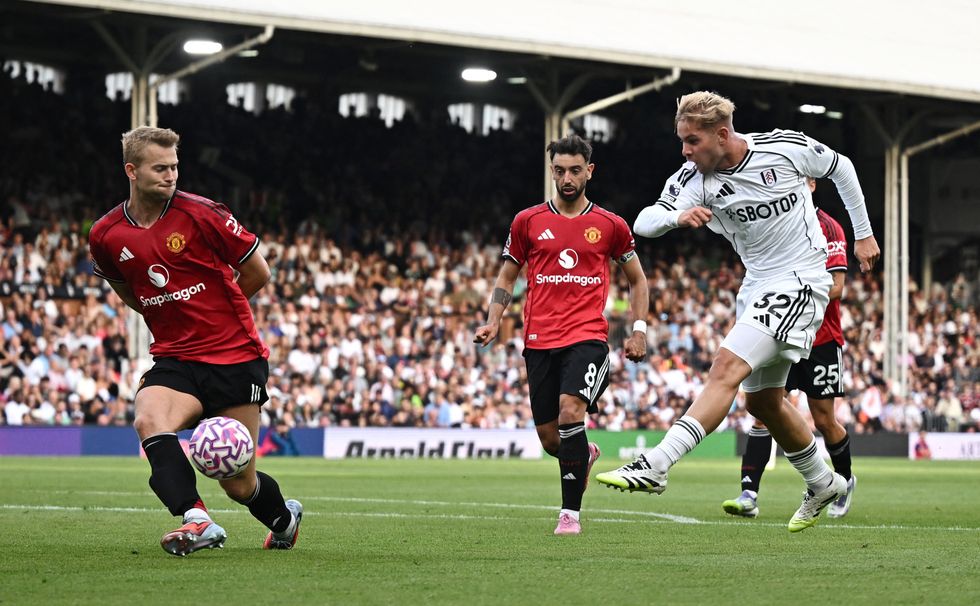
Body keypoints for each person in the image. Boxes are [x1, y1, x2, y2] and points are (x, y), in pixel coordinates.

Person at [596, 91, 880, 532]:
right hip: (757, 286)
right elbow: (644, 221)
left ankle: (656, 463)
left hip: (801, 278)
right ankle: (822, 481)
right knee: (763, 401)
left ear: (722, 134)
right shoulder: (695, 179)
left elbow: (841, 167)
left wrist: (862, 235)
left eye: (692, 141)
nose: (685, 151)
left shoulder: (783, 149)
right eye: (682, 141)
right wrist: (676, 217)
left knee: (726, 366)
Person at [88, 126, 303, 556]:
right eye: (160, 168)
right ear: (131, 170)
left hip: (235, 357)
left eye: (174, 167)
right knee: (149, 418)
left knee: (237, 482)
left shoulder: (202, 213)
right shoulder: (106, 234)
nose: (171, 176)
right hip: (176, 358)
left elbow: (259, 271)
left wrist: (215, 318)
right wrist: (172, 317)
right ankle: (196, 519)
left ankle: (285, 519)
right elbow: (129, 292)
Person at [474, 134, 649, 536]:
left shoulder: (611, 225)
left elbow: (638, 280)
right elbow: (507, 275)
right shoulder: (528, 221)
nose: (566, 178)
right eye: (559, 170)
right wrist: (493, 318)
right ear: (551, 171)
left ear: (589, 171)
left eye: (574, 170)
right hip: (538, 340)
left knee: (572, 410)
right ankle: (582, 453)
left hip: (587, 335)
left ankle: (569, 514)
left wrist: (638, 330)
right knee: (553, 440)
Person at [722, 180, 856, 520]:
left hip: (821, 338)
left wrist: (799, 291)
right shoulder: (777, 222)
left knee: (825, 420)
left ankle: (843, 480)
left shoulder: (828, 227)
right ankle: (748, 493)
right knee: (765, 408)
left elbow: (837, 286)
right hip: (782, 332)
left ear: (810, 185)